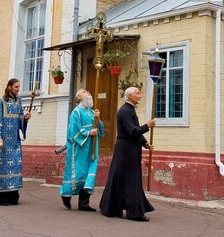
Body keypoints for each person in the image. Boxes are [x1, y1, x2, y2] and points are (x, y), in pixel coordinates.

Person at [99, 86, 155, 222]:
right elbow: (132, 131)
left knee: (124, 179)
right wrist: (147, 126)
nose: (139, 96)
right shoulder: (125, 111)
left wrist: (145, 143)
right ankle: (134, 213)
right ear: (129, 96)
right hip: (126, 150)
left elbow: (135, 131)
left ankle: (112, 207)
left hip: (130, 149)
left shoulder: (130, 110)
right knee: (131, 180)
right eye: (137, 93)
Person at [0, 78, 31, 205]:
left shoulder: (18, 101)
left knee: (13, 166)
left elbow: (19, 118)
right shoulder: (0, 101)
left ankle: (12, 196)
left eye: (19, 87)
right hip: (2, 140)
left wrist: (25, 118)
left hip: (14, 141)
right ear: (9, 87)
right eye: (16, 87)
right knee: (1, 167)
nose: (18, 89)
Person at [60, 89, 104, 211]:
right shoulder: (76, 112)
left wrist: (98, 119)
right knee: (78, 172)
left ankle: (84, 203)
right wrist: (88, 132)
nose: (88, 93)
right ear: (79, 98)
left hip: (91, 146)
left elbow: (100, 129)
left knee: (90, 172)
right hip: (80, 147)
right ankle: (66, 195)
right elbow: (73, 130)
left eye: (88, 92)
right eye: (84, 92)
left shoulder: (91, 112)